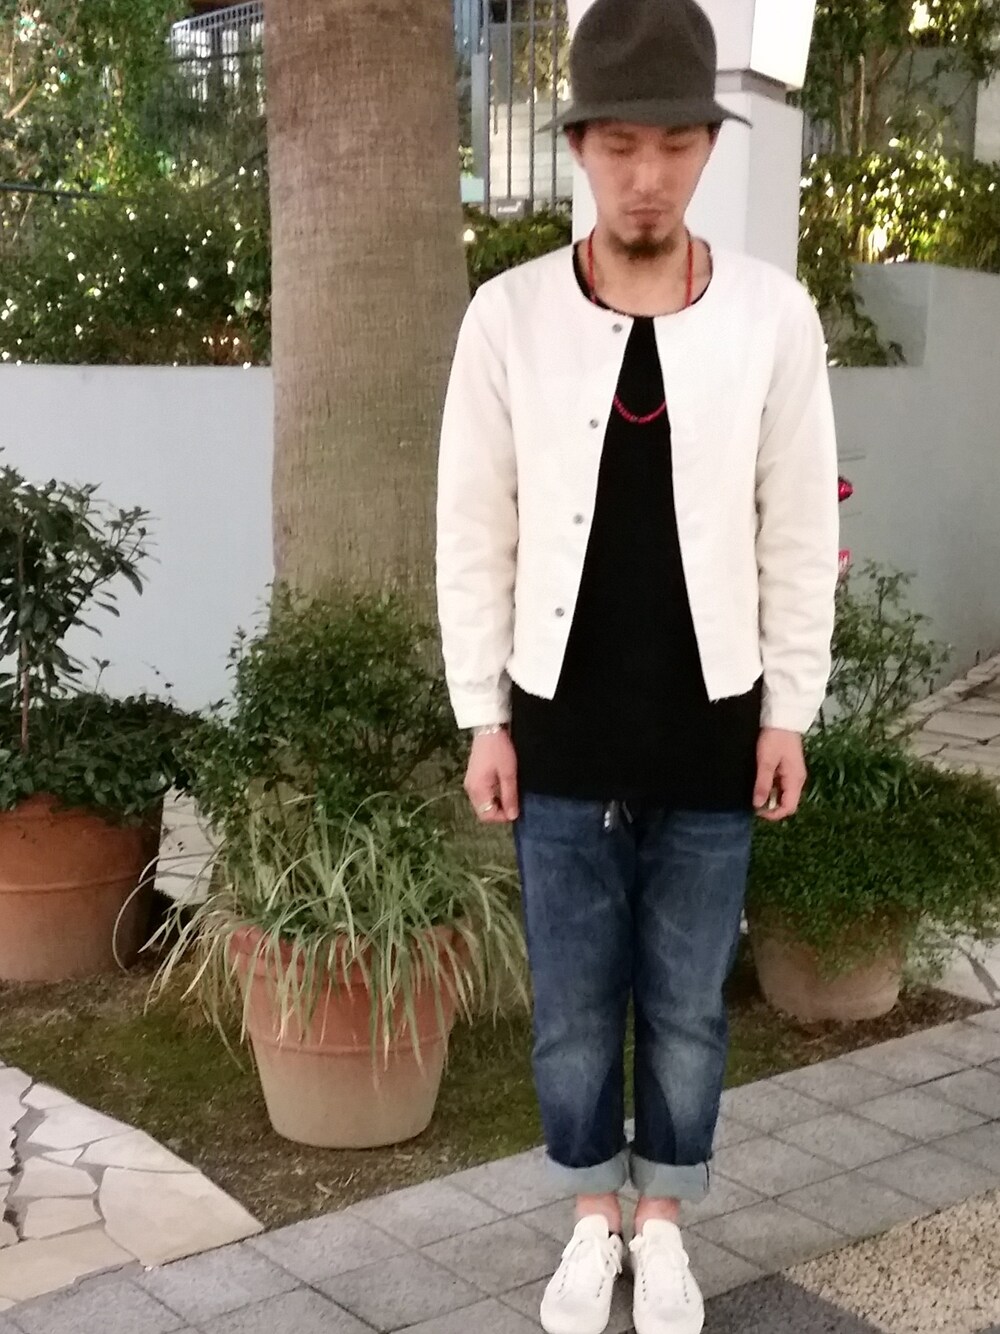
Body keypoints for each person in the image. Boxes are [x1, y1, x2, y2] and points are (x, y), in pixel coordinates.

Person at [436, 0, 839, 1329]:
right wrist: (482, 714)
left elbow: (798, 525)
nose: (647, 174)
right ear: (580, 147)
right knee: (568, 1010)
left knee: (685, 1007)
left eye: (673, 144)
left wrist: (789, 709)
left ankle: (661, 1220)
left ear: (708, 147)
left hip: (713, 723)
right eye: (619, 145)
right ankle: (588, 1219)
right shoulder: (507, 318)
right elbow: (474, 528)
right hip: (556, 725)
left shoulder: (773, 317)